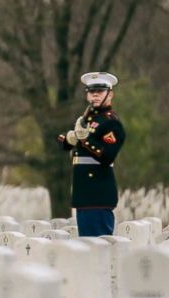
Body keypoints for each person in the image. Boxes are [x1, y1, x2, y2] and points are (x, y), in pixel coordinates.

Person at [56, 72, 126, 237]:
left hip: (98, 193)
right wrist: (68, 139)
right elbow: (61, 141)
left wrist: (86, 139)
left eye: (100, 91)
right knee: (87, 247)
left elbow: (108, 155)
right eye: (91, 91)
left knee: (98, 247)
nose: (94, 94)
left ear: (110, 94)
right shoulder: (85, 119)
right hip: (83, 193)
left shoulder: (111, 122)